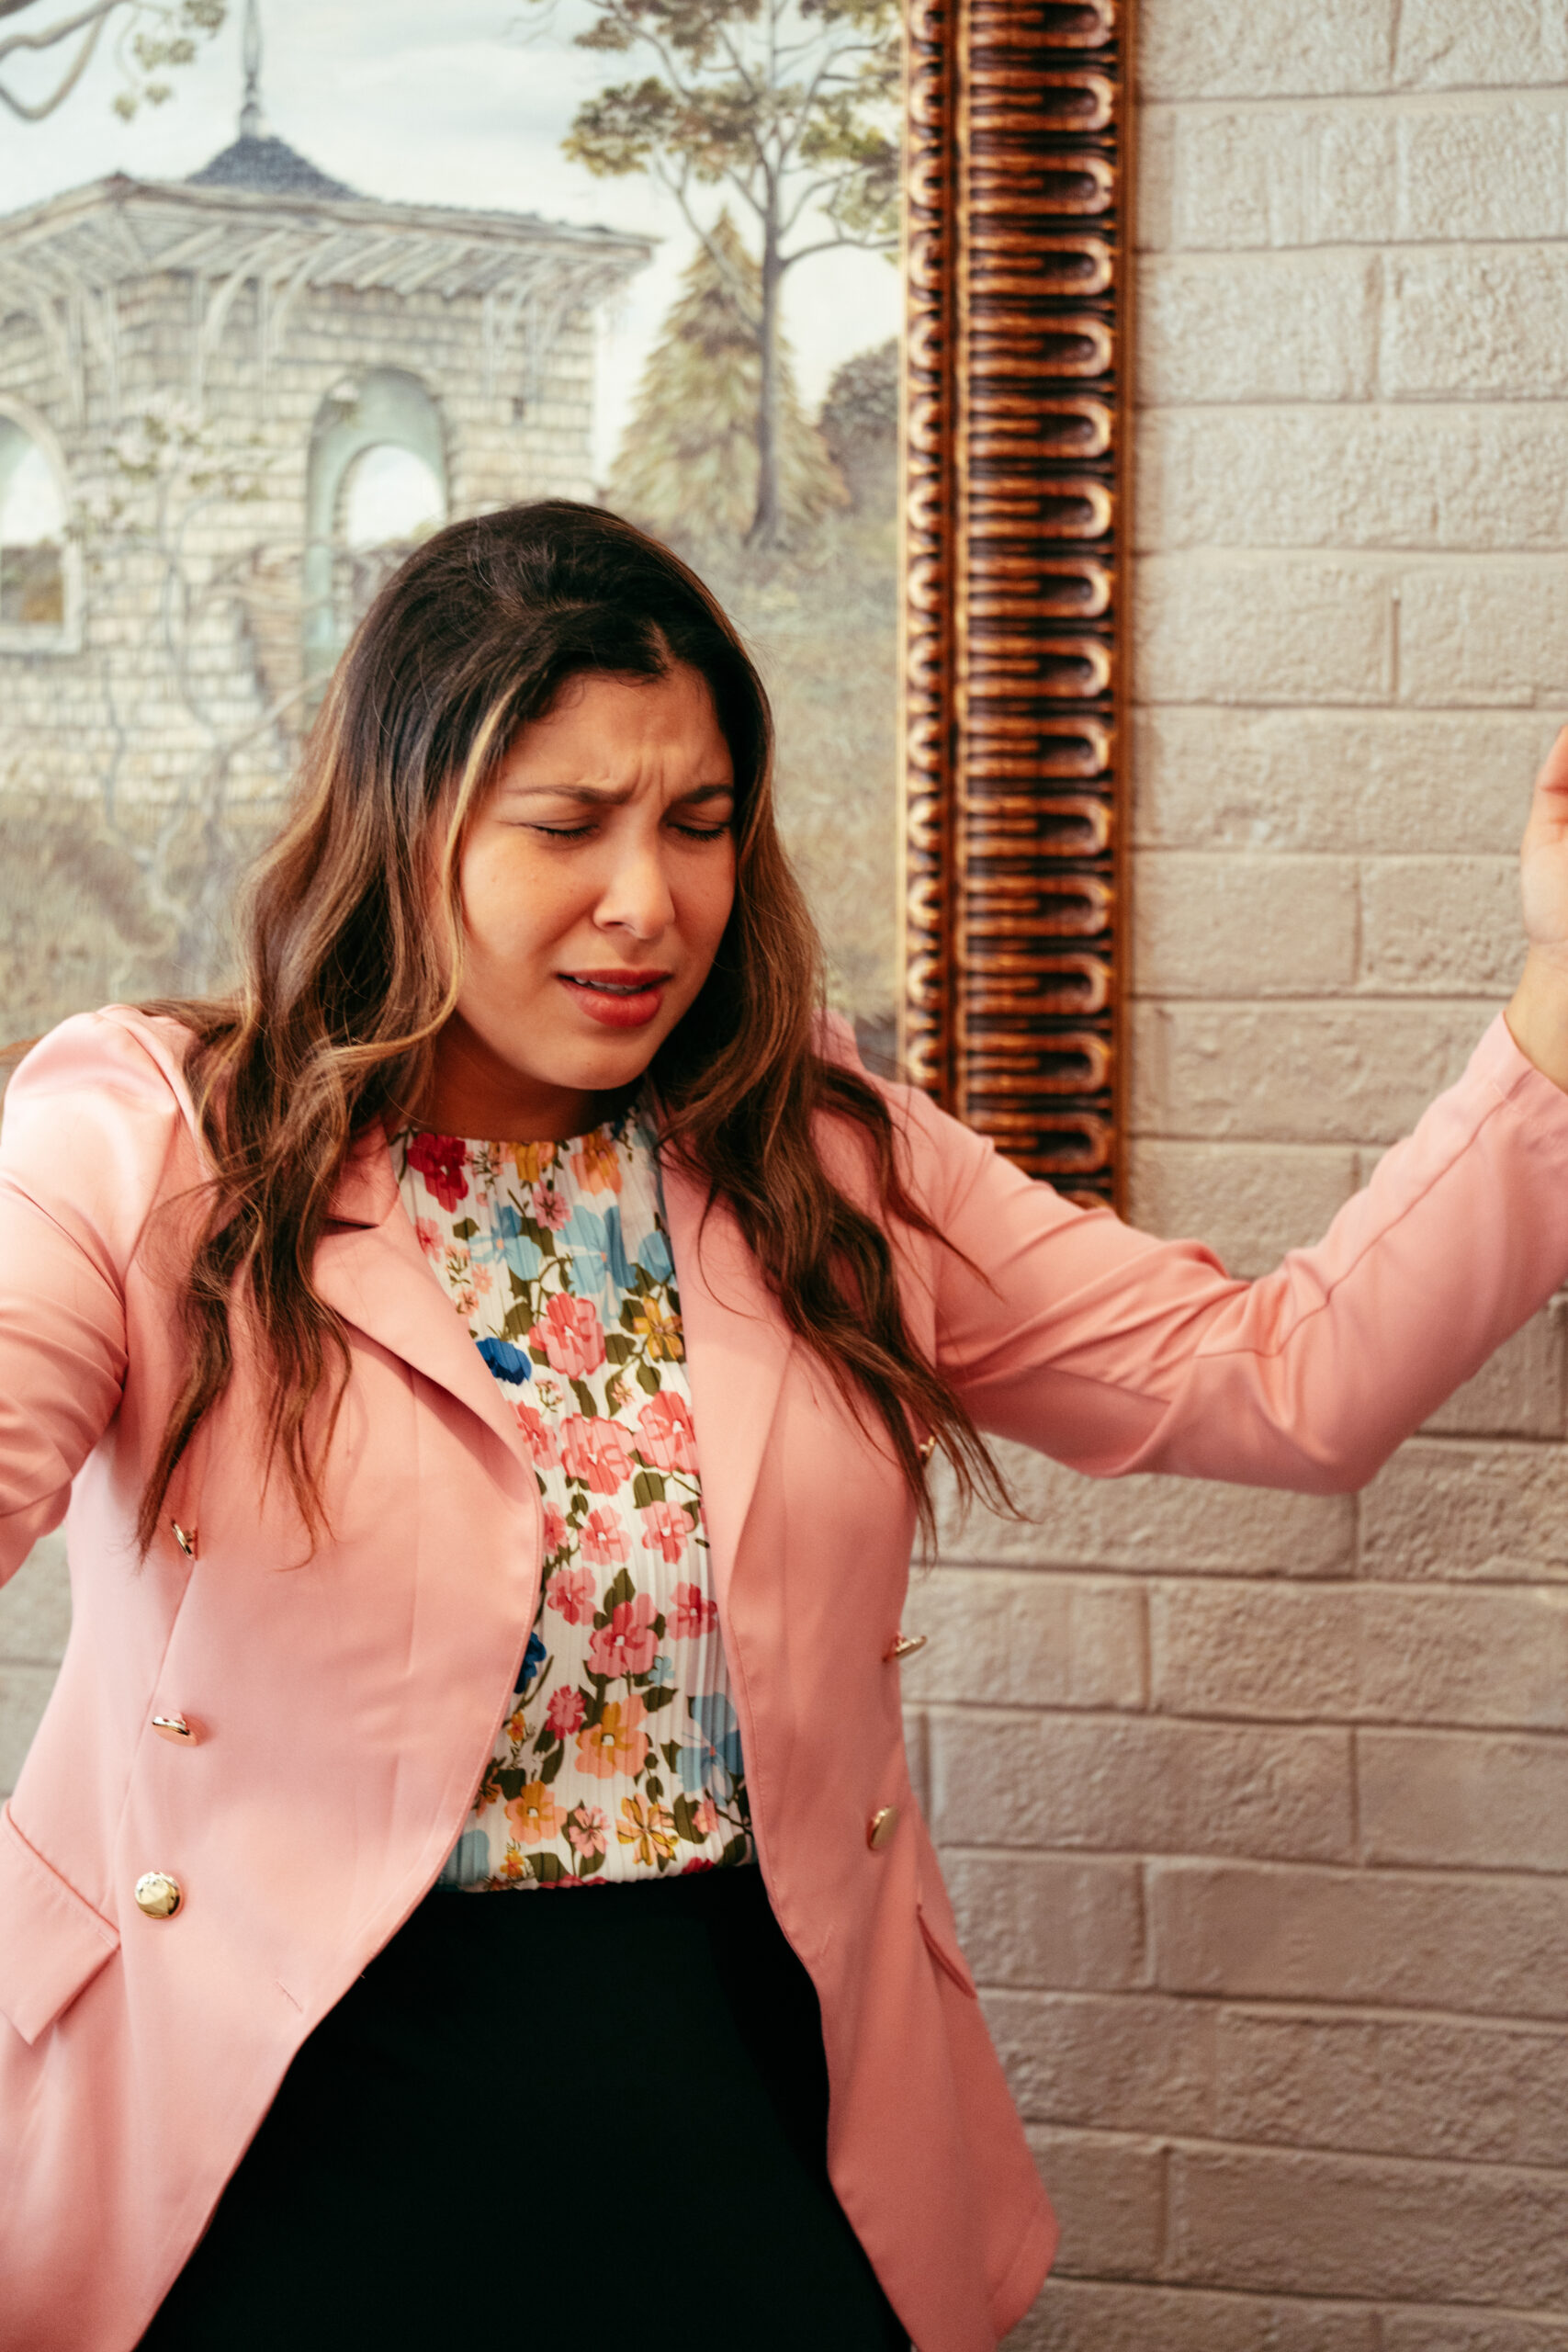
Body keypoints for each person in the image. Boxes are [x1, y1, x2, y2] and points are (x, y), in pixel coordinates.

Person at [3, 502, 1568, 2352]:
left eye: (698, 820)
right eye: (567, 824)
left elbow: (1279, 1379)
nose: (647, 901)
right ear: (402, 825)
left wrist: (1555, 1009)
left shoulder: (815, 1153)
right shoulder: (149, 1143)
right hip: (253, 2128)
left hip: (741, 2097)